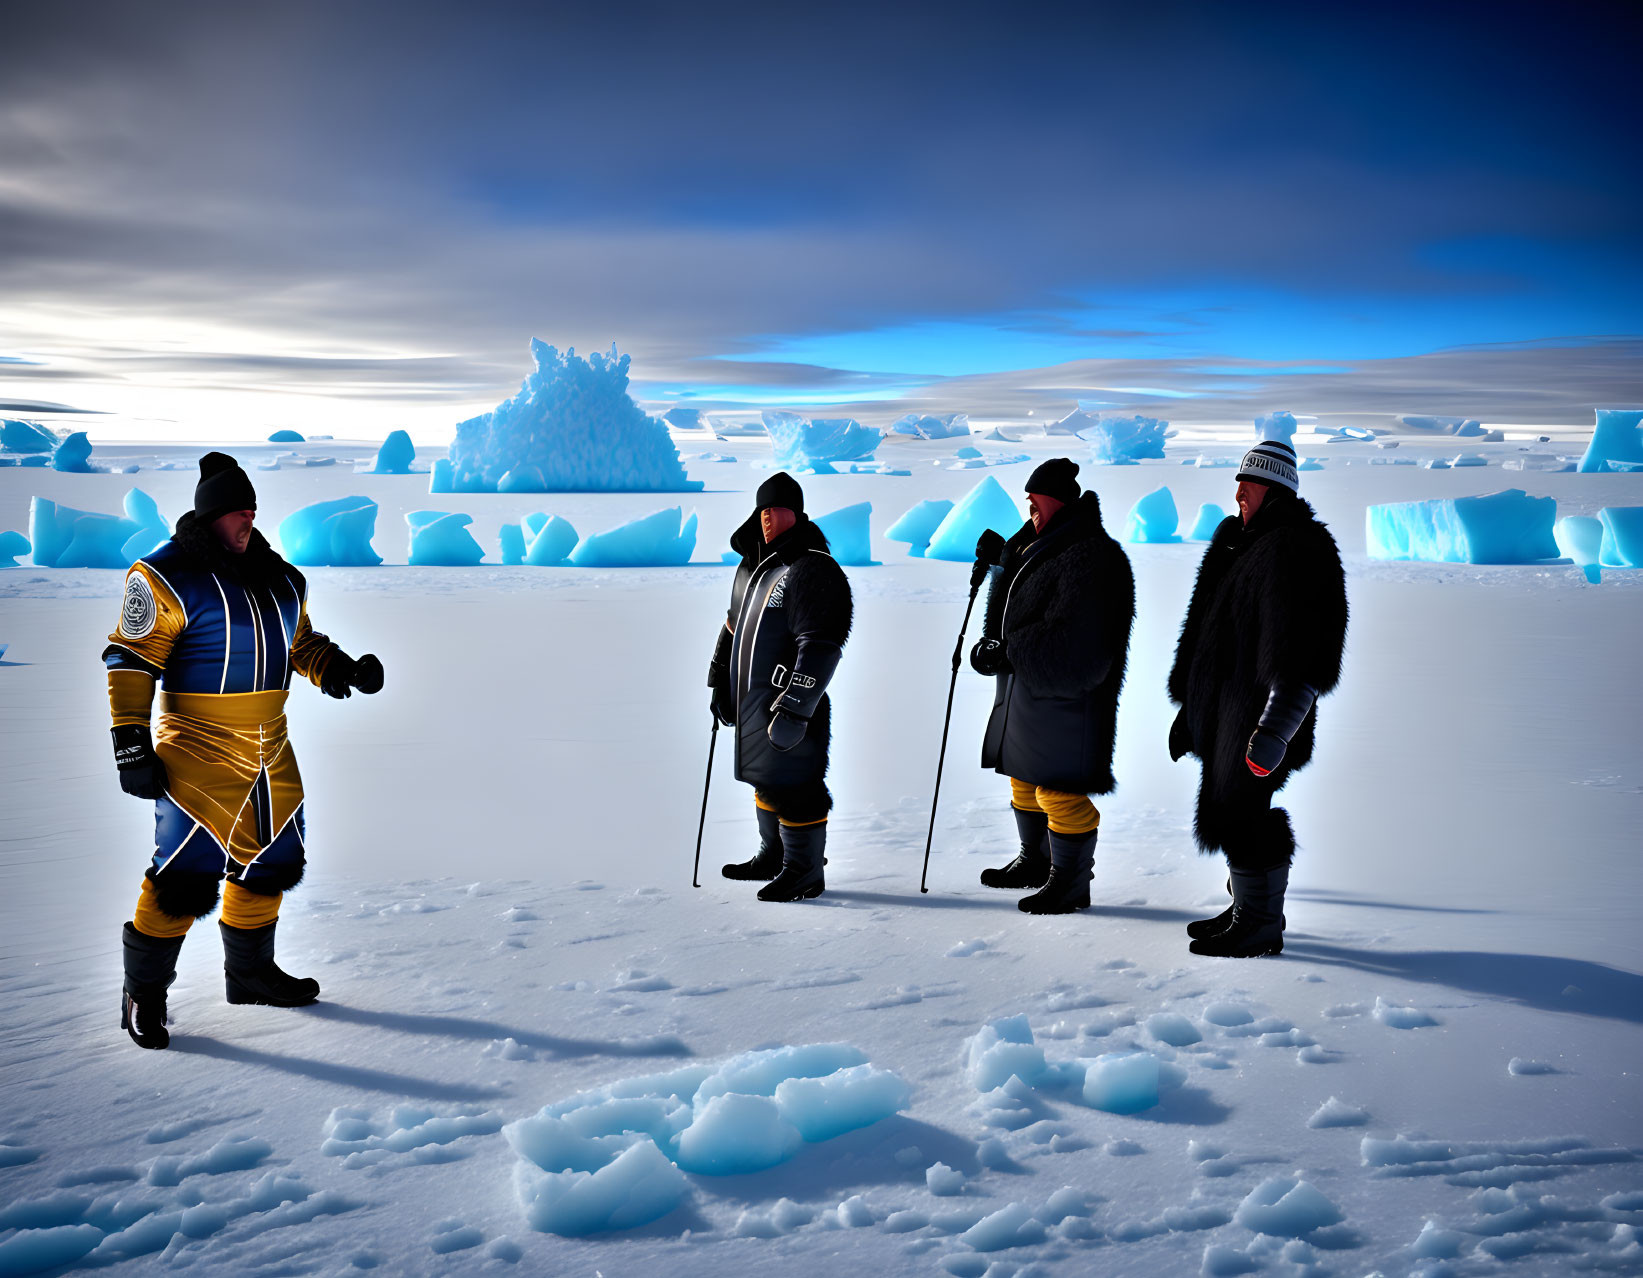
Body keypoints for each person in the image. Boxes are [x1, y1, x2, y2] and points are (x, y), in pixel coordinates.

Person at [105, 452, 384, 1048]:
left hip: (271, 743)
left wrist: (341, 669)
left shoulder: (282, 577)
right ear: (209, 517)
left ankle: (250, 974)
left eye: (253, 511)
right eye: (237, 511)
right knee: (184, 874)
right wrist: (129, 741)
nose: (248, 521)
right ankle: (143, 995)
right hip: (197, 745)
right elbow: (130, 657)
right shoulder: (160, 577)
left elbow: (299, 642)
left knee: (274, 859)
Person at [1167, 436, 1348, 957]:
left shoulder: (1297, 547)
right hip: (1227, 711)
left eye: (1247, 486)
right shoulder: (1240, 542)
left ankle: (1261, 924)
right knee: (1231, 807)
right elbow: (1205, 634)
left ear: (1273, 488)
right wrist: (1191, 712)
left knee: (1246, 812)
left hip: (1259, 717)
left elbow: (1305, 656)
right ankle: (1246, 908)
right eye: (1238, 485)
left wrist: (1274, 731)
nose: (1239, 495)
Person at [969, 458, 1134, 913]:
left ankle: (1070, 883)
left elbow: (1080, 638)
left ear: (1057, 501)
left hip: (1070, 698)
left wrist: (1012, 651)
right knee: (1024, 779)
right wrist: (999, 563)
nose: (1029, 506)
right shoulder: (1038, 546)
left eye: (1035, 499)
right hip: (1028, 693)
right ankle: (1035, 862)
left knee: (1057, 790)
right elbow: (1015, 607)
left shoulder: (1092, 555)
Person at [708, 472, 853, 902]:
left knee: (796, 784)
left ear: (798, 513)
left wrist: (796, 708)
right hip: (754, 699)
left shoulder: (810, 568)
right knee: (766, 778)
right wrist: (720, 678)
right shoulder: (755, 566)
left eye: (778, 510)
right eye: (763, 510)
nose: (769, 519)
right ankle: (773, 857)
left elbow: (822, 646)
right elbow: (733, 626)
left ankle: (804, 870)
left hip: (790, 703)